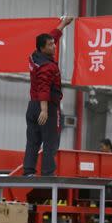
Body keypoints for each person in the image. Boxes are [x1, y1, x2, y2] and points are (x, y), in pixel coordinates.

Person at [23, 17, 74, 177]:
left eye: (53, 43)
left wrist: (63, 25)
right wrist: (44, 110)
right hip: (47, 107)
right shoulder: (48, 67)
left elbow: (52, 36)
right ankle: (48, 174)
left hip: (32, 105)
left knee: (33, 140)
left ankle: (29, 171)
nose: (54, 46)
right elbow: (44, 88)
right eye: (50, 45)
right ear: (42, 48)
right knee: (51, 142)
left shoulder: (35, 56)